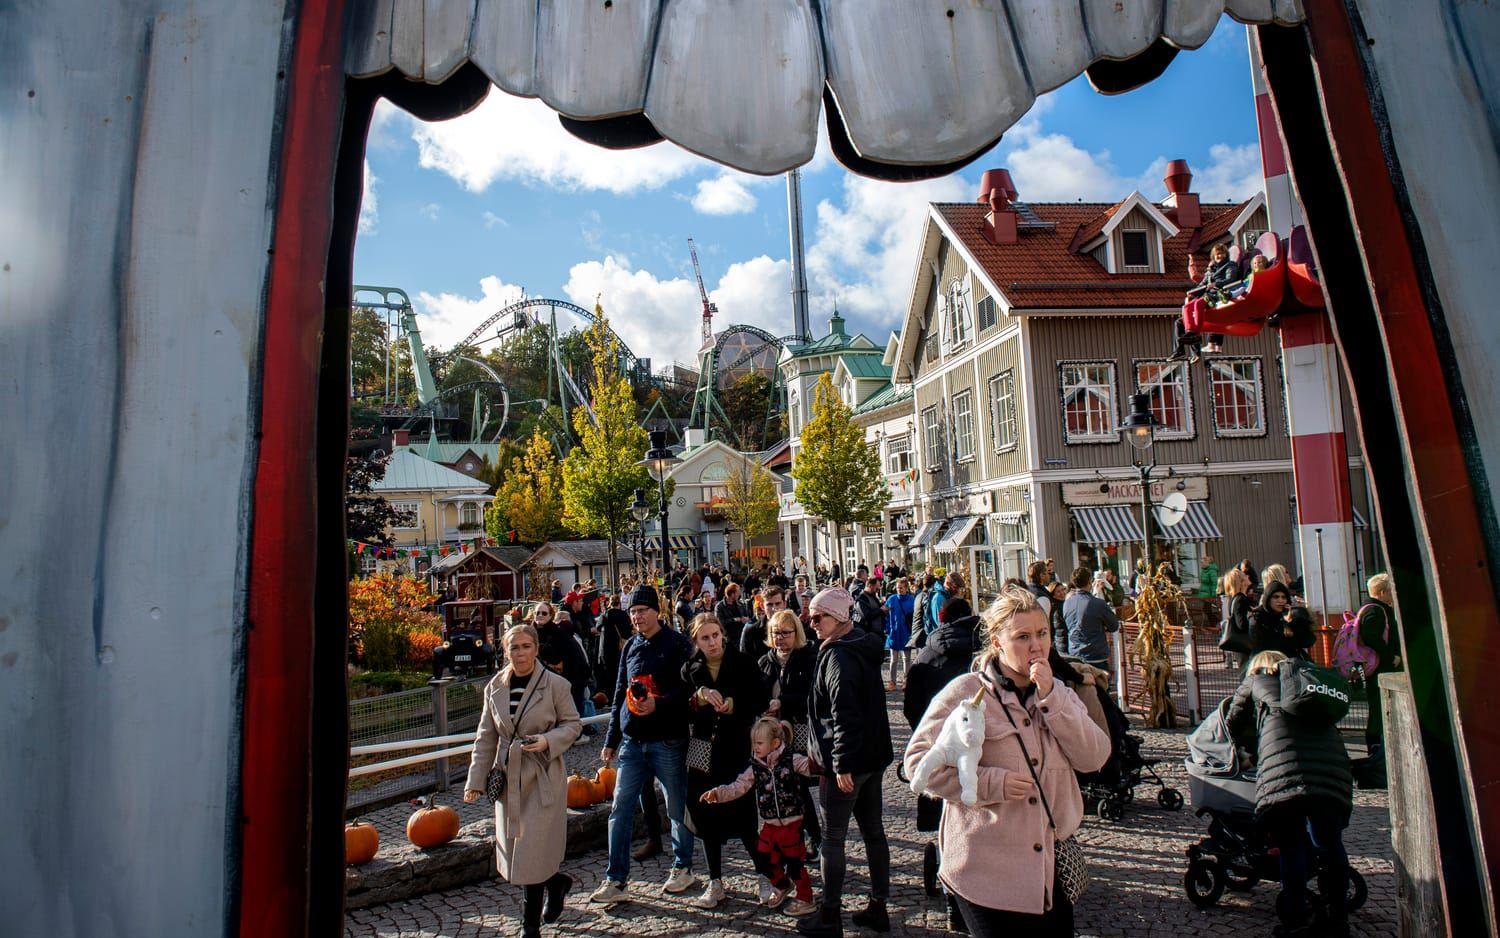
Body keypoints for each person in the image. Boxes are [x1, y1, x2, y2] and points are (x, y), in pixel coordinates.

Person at [904, 586, 1110, 936]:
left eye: (1042, 634)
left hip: (1048, 870)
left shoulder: (1058, 692)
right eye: (1022, 636)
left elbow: (1095, 757)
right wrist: (987, 783)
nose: (1036, 645)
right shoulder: (965, 693)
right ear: (997, 642)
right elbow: (917, 763)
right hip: (985, 871)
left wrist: (1053, 701)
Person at [465, 624, 583, 938]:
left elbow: (572, 725)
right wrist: (475, 781)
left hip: (543, 774)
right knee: (517, 850)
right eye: (514, 647)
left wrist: (547, 741)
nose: (520, 653)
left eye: (526, 646)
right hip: (508, 776)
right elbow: (485, 736)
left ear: (536, 648)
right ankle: (557, 883)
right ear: (506, 651)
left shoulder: (555, 685)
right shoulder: (495, 687)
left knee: (532, 849)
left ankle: (529, 926)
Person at [1226, 650, 1355, 935]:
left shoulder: (1255, 682)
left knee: (1291, 845)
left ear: (1258, 668)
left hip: (1284, 773)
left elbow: (1233, 720)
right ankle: (1338, 919)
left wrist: (1250, 750)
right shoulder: (1308, 685)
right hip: (1332, 769)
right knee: (1331, 845)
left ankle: (1295, 919)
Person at [591, 585, 699, 907]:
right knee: (620, 808)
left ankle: (683, 867)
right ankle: (616, 878)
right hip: (632, 744)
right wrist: (611, 739)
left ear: (657, 612)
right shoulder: (630, 648)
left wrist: (660, 705)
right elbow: (618, 694)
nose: (637, 617)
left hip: (668, 740)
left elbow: (690, 691)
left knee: (676, 807)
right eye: (633, 611)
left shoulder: (678, 644)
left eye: (642, 610)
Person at [798, 587, 893, 937]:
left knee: (833, 839)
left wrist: (840, 764)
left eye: (818, 617)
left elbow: (844, 714)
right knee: (874, 833)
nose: (812, 623)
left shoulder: (838, 657)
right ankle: (878, 906)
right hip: (873, 757)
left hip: (850, 763)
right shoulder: (861, 646)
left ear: (838, 618)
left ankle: (829, 915)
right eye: (810, 617)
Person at [681, 613, 772, 908]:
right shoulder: (690, 668)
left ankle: (763, 875)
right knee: (707, 816)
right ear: (696, 641)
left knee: (744, 815)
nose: (712, 643)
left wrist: (733, 704)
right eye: (705, 638)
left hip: (735, 747)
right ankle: (715, 881)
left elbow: (760, 699)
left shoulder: (744, 662)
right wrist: (699, 698)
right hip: (703, 752)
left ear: (723, 634)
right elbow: (680, 706)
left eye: (715, 635)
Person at [903, 595, 981, 932]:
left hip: (940, 750)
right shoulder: (987, 652)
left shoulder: (927, 653)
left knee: (946, 822)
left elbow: (912, 706)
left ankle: (954, 901)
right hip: (983, 751)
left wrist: (927, 731)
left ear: (942, 618)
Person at [701, 715, 821, 917]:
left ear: (775, 743)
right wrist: (718, 794)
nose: (755, 747)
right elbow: (739, 786)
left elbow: (811, 767)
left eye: (759, 743)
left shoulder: (791, 759)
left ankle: (805, 897)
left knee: (794, 863)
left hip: (791, 823)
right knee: (764, 857)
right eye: (753, 743)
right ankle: (782, 884)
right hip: (770, 823)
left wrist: (833, 768)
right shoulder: (755, 767)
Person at [759, 608, 823, 856]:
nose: (780, 638)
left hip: (799, 728)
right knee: (786, 787)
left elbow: (812, 694)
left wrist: (782, 701)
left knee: (798, 784)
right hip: (773, 732)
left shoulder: (808, 657)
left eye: (785, 633)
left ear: (796, 633)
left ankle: (816, 838)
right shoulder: (765, 661)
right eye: (776, 633)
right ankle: (798, 839)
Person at [1358, 573, 1403, 756]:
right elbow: (1371, 636)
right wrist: (1390, 656)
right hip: (1380, 667)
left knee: (1378, 707)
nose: (1393, 594)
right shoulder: (1375, 610)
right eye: (1391, 590)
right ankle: (1376, 748)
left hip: (1377, 666)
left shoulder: (1372, 608)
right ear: (1383, 592)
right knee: (1378, 708)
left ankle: (1377, 747)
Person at [531, 602, 591, 716]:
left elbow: (566, 657)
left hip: (570, 679)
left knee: (571, 715)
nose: (540, 615)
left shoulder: (558, 633)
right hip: (543, 682)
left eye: (544, 613)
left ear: (550, 616)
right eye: (537, 613)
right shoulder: (530, 633)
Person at [1061, 566, 1121, 678]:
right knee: (1100, 692)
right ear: (1090, 581)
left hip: (1075, 654)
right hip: (1095, 656)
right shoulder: (1098, 603)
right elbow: (1114, 626)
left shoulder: (1067, 603)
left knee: (1080, 692)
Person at [1250, 580, 1315, 660]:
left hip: (1290, 662)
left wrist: (1290, 623)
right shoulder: (1257, 617)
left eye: (1283, 597)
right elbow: (1263, 643)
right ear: (1268, 599)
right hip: (1266, 661)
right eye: (1276, 597)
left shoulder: (1290, 615)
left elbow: (1307, 641)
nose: (1280, 600)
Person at [882, 577, 916, 691]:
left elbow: (916, 616)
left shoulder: (912, 600)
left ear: (906, 588)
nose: (899, 590)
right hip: (894, 633)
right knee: (894, 659)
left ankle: (906, 680)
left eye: (901, 588)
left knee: (906, 659)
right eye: (897, 588)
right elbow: (885, 613)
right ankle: (892, 682)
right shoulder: (891, 599)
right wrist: (887, 628)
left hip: (906, 633)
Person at [1221, 568, 1256, 672]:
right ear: (1240, 581)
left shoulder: (1235, 598)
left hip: (1241, 646)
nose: (1248, 576)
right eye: (1244, 576)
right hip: (1244, 646)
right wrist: (1253, 617)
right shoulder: (1240, 599)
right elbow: (1241, 624)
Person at [741, 585, 786, 655]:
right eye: (769, 605)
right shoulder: (750, 632)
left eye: (778, 604)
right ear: (762, 606)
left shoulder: (794, 628)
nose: (774, 608)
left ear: (784, 604)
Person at [714, 582, 751, 652]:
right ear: (732, 594)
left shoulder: (740, 604)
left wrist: (746, 619)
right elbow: (720, 623)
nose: (739, 594)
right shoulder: (720, 606)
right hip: (728, 639)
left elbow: (747, 617)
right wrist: (736, 619)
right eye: (737, 592)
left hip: (741, 637)